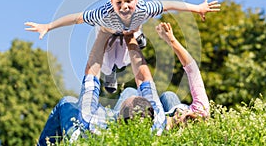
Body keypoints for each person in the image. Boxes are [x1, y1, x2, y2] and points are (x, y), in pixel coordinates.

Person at [25, 0, 220, 94]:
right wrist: (49, 26)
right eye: (119, 3)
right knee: (110, 62)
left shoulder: (144, 8)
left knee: (126, 57)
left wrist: (197, 8)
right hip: (108, 34)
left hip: (129, 30)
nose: (125, 6)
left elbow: (170, 4)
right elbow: (76, 18)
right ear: (111, 2)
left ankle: (138, 34)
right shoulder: (102, 13)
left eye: (129, 1)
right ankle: (110, 75)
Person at [37, 22, 210, 145]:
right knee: (143, 93)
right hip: (151, 121)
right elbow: (143, 79)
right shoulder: (158, 120)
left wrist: (103, 34)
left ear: (118, 122)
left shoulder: (90, 119)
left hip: (81, 135)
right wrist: (130, 38)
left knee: (66, 101)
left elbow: (91, 75)